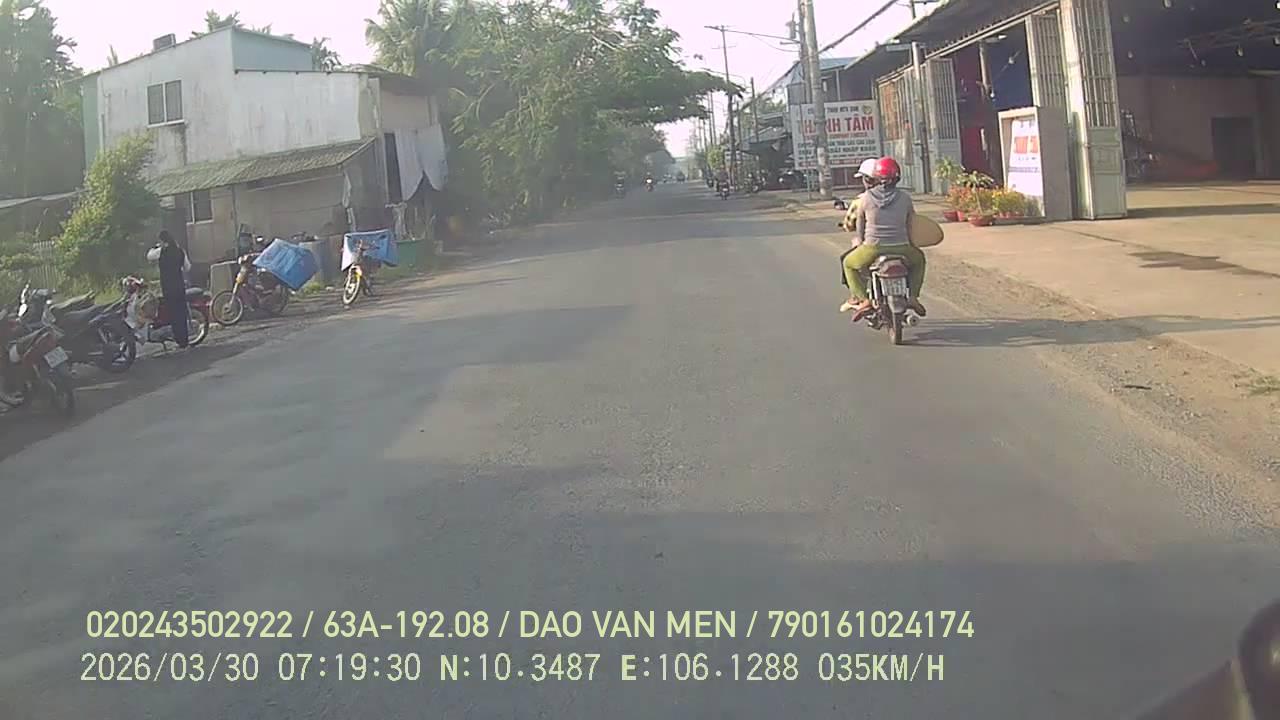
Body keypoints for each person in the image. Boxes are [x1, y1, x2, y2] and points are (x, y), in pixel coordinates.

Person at [840, 156, 927, 318]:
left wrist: (861, 242)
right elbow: (911, 224)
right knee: (919, 259)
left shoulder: (865, 198)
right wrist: (911, 244)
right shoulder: (905, 198)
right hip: (902, 246)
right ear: (897, 177)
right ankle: (913, 297)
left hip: (873, 247)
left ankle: (864, 300)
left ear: (876, 177)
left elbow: (860, 224)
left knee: (848, 264)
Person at [156, 230, 191, 348]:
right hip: (179, 286)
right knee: (181, 313)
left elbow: (149, 255)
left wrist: (157, 247)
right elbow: (188, 267)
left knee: (173, 315)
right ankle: (184, 340)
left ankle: (178, 340)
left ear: (162, 241)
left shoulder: (160, 252)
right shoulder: (180, 251)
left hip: (168, 288)